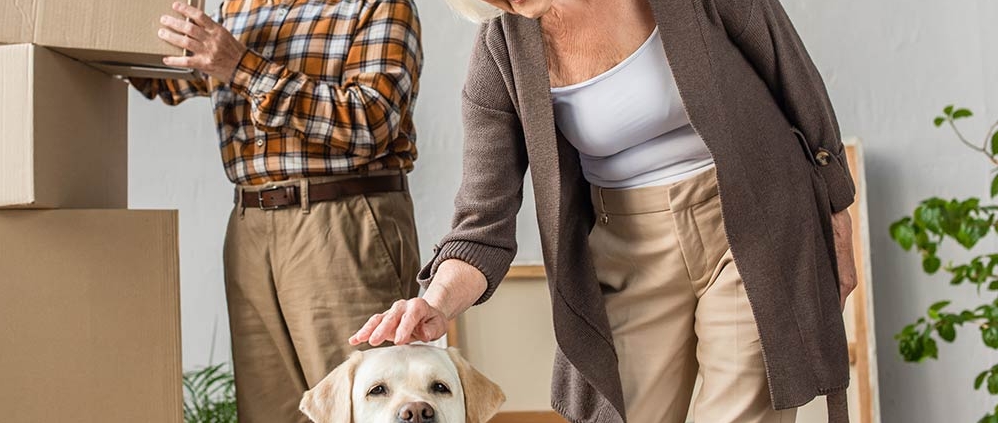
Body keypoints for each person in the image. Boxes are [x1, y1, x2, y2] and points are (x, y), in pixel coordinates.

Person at [350, 0, 858, 422]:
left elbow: (795, 81)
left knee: (742, 409)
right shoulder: (501, 50)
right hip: (625, 245)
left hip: (751, 219)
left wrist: (836, 213)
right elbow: (483, 220)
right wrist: (434, 302)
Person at [133, 2, 423, 421]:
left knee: (370, 404)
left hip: (343, 222)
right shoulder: (238, 6)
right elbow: (169, 75)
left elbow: (372, 121)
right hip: (250, 225)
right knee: (269, 412)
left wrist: (242, 67)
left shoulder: (376, 5)